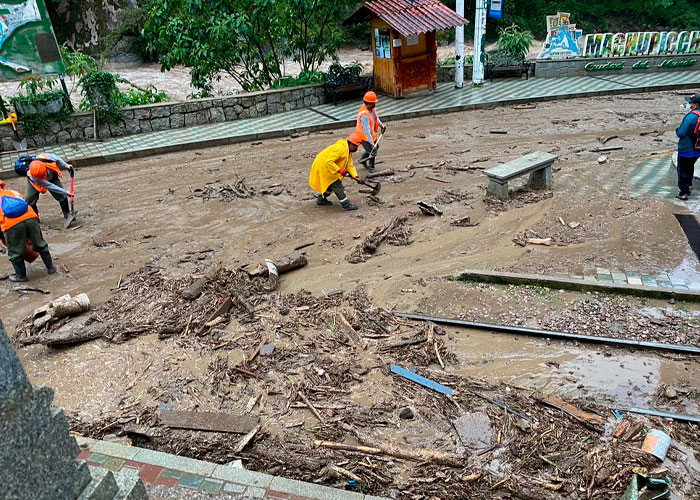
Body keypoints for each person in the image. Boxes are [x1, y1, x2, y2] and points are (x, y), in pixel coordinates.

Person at [0, 180, 57, 282]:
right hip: (30, 218)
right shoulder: (13, 192)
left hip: (12, 224)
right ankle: (51, 268)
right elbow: (24, 203)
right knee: (40, 244)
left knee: (15, 252)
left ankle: (21, 276)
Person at [309, 133, 363, 211]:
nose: (356, 148)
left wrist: (356, 176)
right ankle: (346, 205)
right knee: (337, 185)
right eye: (356, 146)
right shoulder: (341, 149)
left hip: (326, 166)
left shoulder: (347, 151)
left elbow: (349, 165)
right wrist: (339, 170)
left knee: (329, 186)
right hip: (324, 167)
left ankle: (321, 199)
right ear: (351, 144)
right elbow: (329, 161)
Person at [15, 153, 73, 220]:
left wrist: (66, 165)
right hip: (35, 183)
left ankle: (67, 214)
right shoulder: (34, 177)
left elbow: (57, 158)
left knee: (61, 196)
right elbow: (50, 186)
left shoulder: (46, 158)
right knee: (29, 199)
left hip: (52, 177)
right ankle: (35, 220)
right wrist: (65, 192)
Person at [675, 93, 700, 201]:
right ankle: (689, 186)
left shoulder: (690, 117)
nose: (689, 104)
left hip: (686, 149)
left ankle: (684, 192)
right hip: (697, 149)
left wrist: (677, 129)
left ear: (695, 105)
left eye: (690, 102)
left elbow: (681, 132)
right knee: (690, 167)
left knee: (683, 170)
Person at [355, 91, 386, 173]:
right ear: (369, 103)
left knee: (376, 147)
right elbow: (366, 130)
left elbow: (375, 117)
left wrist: (381, 125)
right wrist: (371, 143)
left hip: (370, 136)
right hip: (364, 137)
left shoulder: (371, 109)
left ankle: (362, 159)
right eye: (373, 103)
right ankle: (371, 167)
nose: (374, 104)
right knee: (373, 150)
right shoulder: (364, 115)